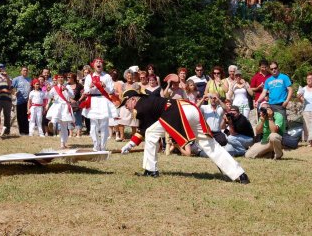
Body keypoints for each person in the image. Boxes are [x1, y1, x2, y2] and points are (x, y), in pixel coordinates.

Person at [119, 89, 250, 183]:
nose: (127, 108)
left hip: (178, 112)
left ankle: (151, 170)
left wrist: (130, 144)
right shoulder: (148, 99)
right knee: (210, 145)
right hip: (190, 108)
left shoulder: (140, 106)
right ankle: (239, 174)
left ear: (133, 99)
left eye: (126, 105)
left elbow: (143, 129)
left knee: (150, 133)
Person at [81, 58, 118, 151]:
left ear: (102, 65)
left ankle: (103, 146)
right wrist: (90, 87)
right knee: (93, 125)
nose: (99, 63)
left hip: (103, 100)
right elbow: (86, 91)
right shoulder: (89, 77)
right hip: (93, 101)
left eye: (100, 62)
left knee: (104, 125)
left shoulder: (107, 77)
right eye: (97, 62)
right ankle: (96, 145)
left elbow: (111, 91)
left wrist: (104, 86)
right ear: (93, 65)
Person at [46, 74, 74, 148]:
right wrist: (48, 90)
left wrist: (67, 90)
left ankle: (63, 143)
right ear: (57, 79)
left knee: (64, 126)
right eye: (59, 77)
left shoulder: (67, 86)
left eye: (62, 77)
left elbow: (72, 96)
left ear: (64, 79)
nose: (60, 78)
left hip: (65, 106)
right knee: (55, 116)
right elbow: (48, 96)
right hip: (57, 105)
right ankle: (52, 123)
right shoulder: (54, 88)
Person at [117, 69, 140, 141]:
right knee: (121, 121)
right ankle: (122, 136)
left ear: (133, 77)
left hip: (133, 106)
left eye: (131, 76)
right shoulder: (123, 85)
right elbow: (121, 96)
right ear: (125, 77)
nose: (129, 78)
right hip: (125, 105)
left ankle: (133, 137)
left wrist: (133, 103)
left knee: (134, 122)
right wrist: (124, 101)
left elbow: (138, 95)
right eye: (128, 76)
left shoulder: (136, 85)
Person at [12, 66, 32, 135]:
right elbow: (11, 87)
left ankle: (27, 131)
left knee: (27, 116)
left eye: (26, 70)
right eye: (24, 70)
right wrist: (14, 93)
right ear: (21, 71)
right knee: (20, 116)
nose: (25, 72)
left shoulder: (29, 79)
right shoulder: (16, 79)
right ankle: (22, 131)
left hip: (28, 101)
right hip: (19, 100)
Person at [0, 63, 12, 136]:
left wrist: (6, 76)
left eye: (3, 67)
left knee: (7, 115)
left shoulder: (9, 77)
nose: (1, 69)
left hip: (7, 99)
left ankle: (6, 131)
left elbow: (10, 86)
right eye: (0, 68)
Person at [66, 72, 84, 138]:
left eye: (69, 77)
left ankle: (78, 134)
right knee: (69, 118)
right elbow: (64, 94)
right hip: (68, 104)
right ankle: (70, 133)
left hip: (78, 104)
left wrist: (78, 101)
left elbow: (83, 94)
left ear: (73, 78)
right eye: (67, 77)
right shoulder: (66, 85)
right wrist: (70, 100)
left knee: (78, 118)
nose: (67, 78)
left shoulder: (79, 85)